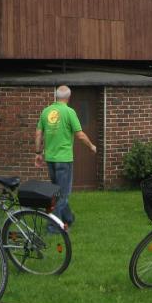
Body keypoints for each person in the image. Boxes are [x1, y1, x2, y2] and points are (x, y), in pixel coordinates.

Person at [35, 85, 97, 227]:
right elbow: (80, 135)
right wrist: (91, 146)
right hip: (64, 160)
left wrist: (38, 153)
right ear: (69, 97)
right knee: (62, 195)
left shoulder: (46, 111)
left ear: (56, 96)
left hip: (50, 159)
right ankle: (53, 226)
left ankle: (68, 218)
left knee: (57, 192)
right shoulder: (69, 112)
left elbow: (38, 133)